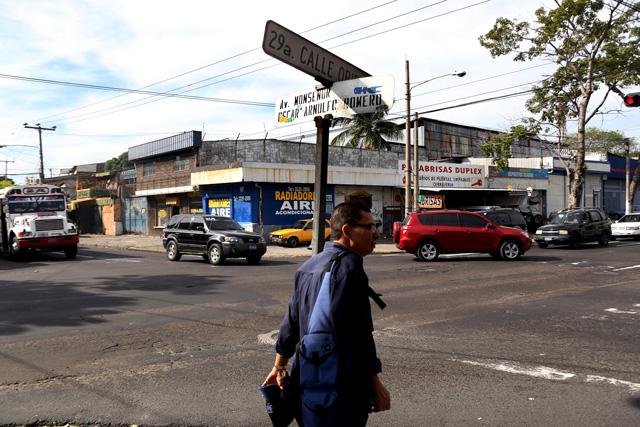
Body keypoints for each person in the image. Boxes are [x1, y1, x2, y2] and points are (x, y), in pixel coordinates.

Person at [262, 202, 390, 426]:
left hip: (306, 385)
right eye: (370, 227)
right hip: (341, 389)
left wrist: (279, 366)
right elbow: (359, 334)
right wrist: (375, 383)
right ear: (348, 231)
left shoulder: (308, 266)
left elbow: (290, 323)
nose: (376, 234)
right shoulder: (350, 268)